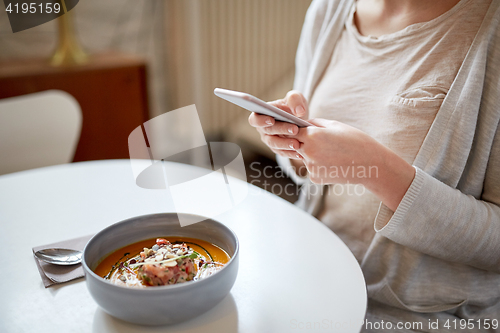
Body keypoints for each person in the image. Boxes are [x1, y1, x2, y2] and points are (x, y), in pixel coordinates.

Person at [249, 0, 500, 331]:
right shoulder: (329, 10)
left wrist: (373, 166)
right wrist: (293, 144)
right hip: (312, 272)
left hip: (419, 315)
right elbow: (313, 170)